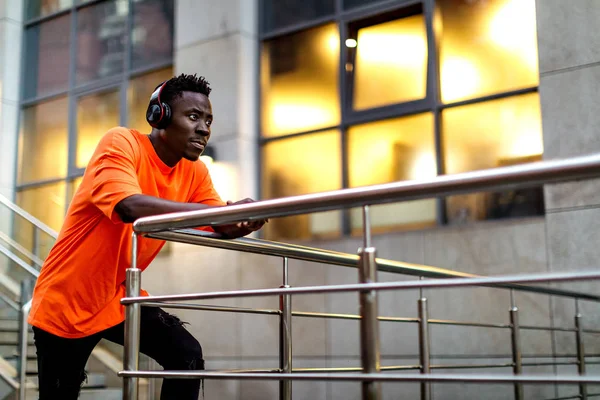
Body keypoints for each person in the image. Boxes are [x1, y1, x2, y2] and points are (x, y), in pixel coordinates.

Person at [27, 73, 266, 400]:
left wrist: (240, 217)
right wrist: (213, 215)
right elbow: (128, 205)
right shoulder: (121, 143)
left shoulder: (195, 171)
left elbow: (216, 221)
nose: (204, 128)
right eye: (193, 116)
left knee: (186, 355)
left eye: (208, 120)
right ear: (159, 116)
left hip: (117, 298)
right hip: (67, 300)